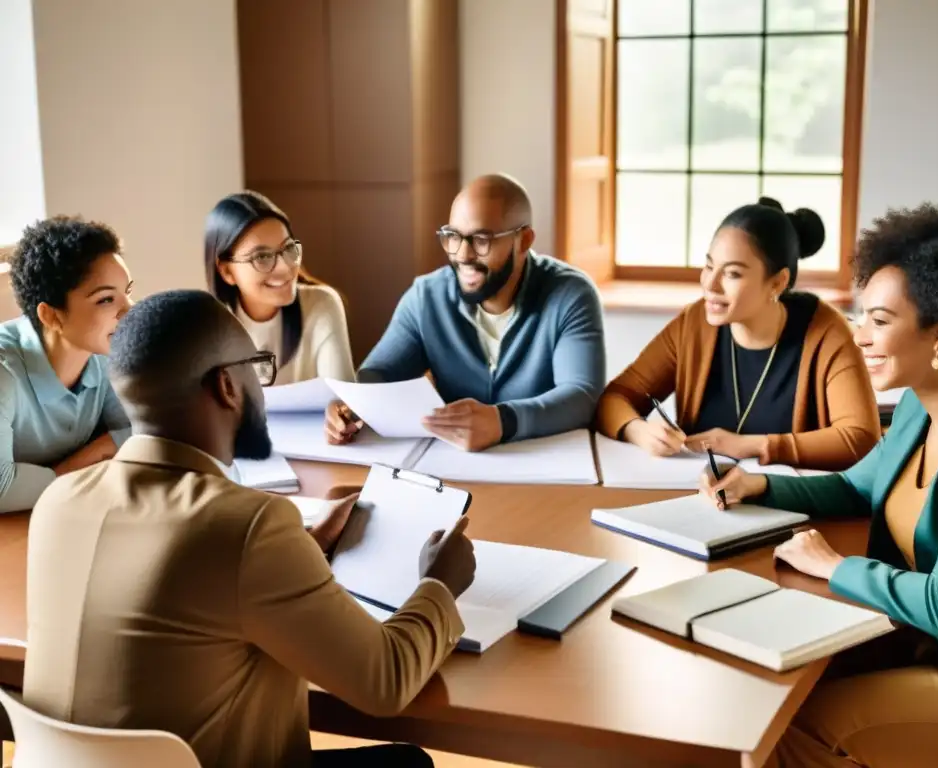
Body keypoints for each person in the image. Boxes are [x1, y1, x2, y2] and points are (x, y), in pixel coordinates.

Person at [23, 289, 477, 768]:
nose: (261, 386)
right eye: (257, 368)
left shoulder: (59, 500)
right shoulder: (248, 527)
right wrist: (438, 585)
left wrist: (306, 546)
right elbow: (385, 682)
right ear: (227, 385)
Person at [701, 204, 938, 767]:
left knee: (787, 732)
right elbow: (854, 489)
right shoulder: (918, 411)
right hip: (924, 640)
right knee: (754, 695)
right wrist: (759, 486)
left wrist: (833, 566)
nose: (860, 337)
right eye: (860, 317)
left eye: (879, 321)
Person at [324, 173, 605, 451]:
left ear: (524, 240)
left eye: (481, 239)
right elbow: (379, 374)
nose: (463, 255)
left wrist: (503, 421)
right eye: (453, 237)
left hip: (547, 466)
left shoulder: (571, 294)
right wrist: (352, 405)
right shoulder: (426, 297)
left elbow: (581, 397)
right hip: (454, 470)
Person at [595, 197, 880, 471]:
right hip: (700, 500)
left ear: (778, 282)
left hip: (793, 510)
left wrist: (753, 445)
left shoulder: (828, 333)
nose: (710, 284)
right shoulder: (694, 324)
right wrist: (639, 431)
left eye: (732, 274)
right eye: (709, 266)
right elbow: (616, 397)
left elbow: (861, 438)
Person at [0, 216, 133, 513]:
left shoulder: (104, 349)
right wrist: (71, 472)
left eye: (128, 292)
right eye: (106, 300)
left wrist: (73, 465)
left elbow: (141, 431)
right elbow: (1, 487)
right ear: (51, 316)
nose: (129, 310)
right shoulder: (3, 373)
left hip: (57, 513)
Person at [206, 190, 356, 385]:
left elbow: (342, 400)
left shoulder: (320, 304)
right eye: (261, 257)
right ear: (227, 271)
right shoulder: (208, 329)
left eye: (288, 249)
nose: (286, 267)